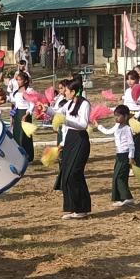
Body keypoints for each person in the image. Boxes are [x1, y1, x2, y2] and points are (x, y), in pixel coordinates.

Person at [54, 75, 93, 218]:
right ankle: (73, 208)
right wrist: (45, 110)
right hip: (70, 138)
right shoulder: (69, 104)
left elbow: (83, 124)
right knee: (66, 173)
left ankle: (82, 208)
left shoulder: (84, 104)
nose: (64, 93)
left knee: (74, 174)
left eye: (67, 90)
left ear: (74, 91)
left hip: (80, 140)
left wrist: (66, 121)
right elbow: (57, 113)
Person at [108, 104, 135, 208]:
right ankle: (120, 198)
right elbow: (108, 132)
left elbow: (131, 144)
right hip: (119, 154)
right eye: (115, 115)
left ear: (126, 116)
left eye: (118, 116)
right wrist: (98, 126)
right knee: (117, 176)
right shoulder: (117, 127)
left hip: (125, 155)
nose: (116, 118)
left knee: (120, 176)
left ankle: (127, 197)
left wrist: (131, 157)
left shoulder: (127, 129)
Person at [8, 68, 35, 163]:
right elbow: (14, 103)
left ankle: (27, 156)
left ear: (25, 81)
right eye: (17, 80)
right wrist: (12, 116)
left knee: (24, 136)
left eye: (20, 80)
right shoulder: (16, 91)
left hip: (25, 114)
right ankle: (18, 156)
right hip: (17, 114)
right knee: (16, 135)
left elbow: (32, 104)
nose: (18, 82)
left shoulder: (29, 90)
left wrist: (27, 114)